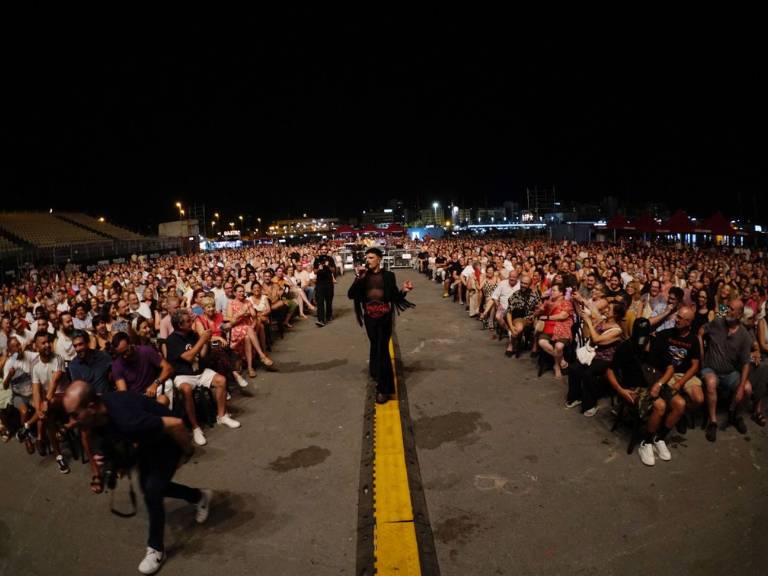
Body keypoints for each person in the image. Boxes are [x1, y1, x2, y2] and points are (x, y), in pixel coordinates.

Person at [62, 380, 213, 575]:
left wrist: (187, 452)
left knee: (152, 491)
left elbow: (175, 424)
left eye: (75, 415)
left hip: (169, 439)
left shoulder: (127, 419)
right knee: (153, 487)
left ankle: (156, 548)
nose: (71, 422)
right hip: (147, 441)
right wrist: (108, 465)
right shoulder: (98, 413)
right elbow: (110, 438)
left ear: (91, 406)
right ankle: (200, 497)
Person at [348, 247, 414, 404]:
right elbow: (351, 295)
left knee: (382, 349)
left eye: (371, 257)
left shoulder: (389, 276)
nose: (368, 260)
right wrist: (358, 277)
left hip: (384, 318)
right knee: (375, 345)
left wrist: (404, 290)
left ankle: (385, 389)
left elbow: (394, 297)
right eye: (367, 257)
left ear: (379, 259)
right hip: (370, 318)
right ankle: (375, 371)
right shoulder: (364, 276)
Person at [165, 309, 240, 447]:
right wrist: (202, 340)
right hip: (183, 374)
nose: (192, 322)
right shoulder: (172, 340)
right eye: (188, 321)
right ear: (180, 325)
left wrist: (206, 342)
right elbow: (188, 357)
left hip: (199, 371)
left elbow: (202, 355)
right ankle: (195, 428)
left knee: (221, 380)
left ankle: (222, 415)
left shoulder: (192, 334)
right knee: (186, 390)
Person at [605, 318, 672, 467]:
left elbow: (670, 368)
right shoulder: (626, 347)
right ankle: (646, 442)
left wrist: (660, 384)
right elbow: (610, 371)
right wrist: (620, 390)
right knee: (660, 406)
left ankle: (658, 438)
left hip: (654, 381)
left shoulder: (656, 343)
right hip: (634, 387)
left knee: (679, 404)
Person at [700, 298, 753, 442]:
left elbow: (746, 363)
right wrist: (701, 353)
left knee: (747, 389)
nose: (727, 310)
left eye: (731, 309)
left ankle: (734, 414)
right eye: (727, 307)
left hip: (729, 373)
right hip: (710, 368)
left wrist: (741, 387)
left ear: (740, 314)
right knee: (711, 383)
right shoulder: (718, 323)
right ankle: (713, 421)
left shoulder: (744, 336)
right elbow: (701, 330)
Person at [111, 332, 174, 406]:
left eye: (126, 352)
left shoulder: (146, 351)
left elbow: (168, 368)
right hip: (136, 399)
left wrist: (155, 384)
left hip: (152, 391)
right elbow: (123, 392)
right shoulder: (117, 365)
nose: (124, 356)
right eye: (121, 354)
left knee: (164, 399)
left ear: (131, 344)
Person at [314, 244, 336, 327]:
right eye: (322, 249)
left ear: (327, 250)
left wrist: (328, 266)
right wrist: (319, 269)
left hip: (329, 283)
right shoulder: (317, 259)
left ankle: (329, 315)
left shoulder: (330, 259)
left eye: (325, 249)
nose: (323, 250)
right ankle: (321, 320)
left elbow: (334, 270)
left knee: (329, 301)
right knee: (320, 302)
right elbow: (314, 271)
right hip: (320, 283)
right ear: (320, 250)